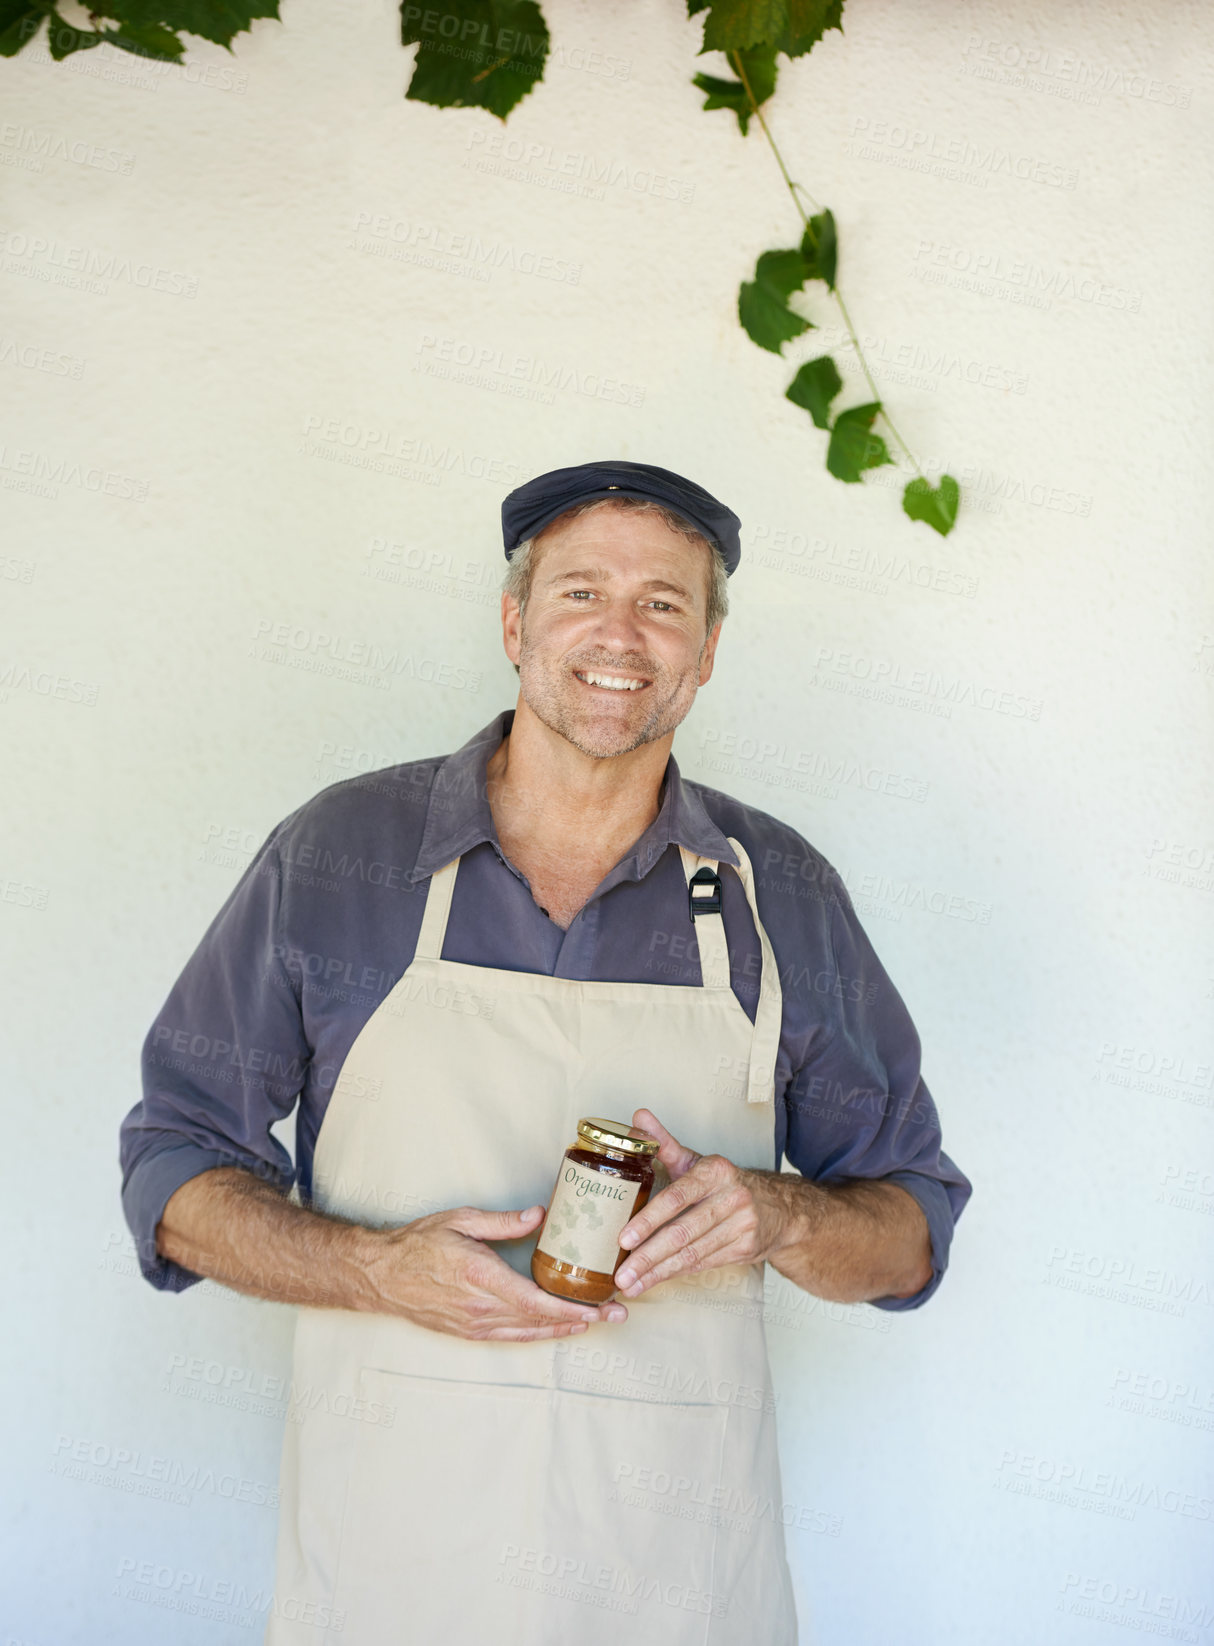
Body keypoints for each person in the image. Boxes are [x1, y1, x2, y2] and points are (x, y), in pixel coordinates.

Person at [119, 459, 972, 1644]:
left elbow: (912, 1231)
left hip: (681, 1587)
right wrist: (371, 1266)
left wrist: (778, 1216)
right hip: (394, 1576)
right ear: (515, 621)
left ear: (706, 649)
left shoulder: (781, 893)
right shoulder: (338, 858)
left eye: (664, 603)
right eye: (580, 592)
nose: (620, 632)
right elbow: (171, 1174)